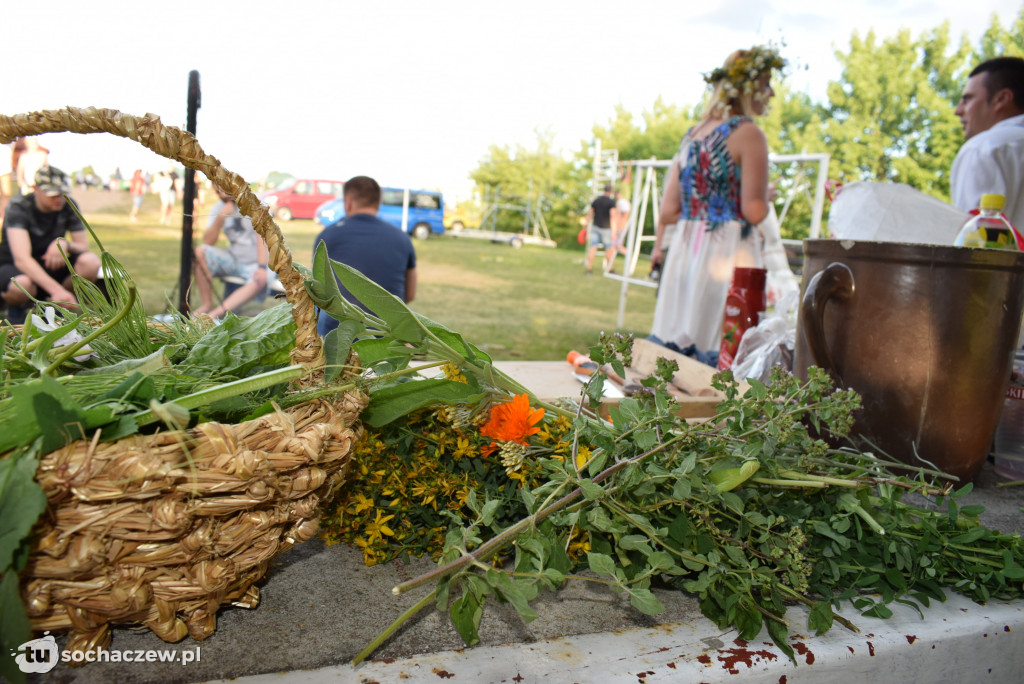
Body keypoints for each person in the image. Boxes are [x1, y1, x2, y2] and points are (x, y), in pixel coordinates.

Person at [649, 45, 784, 358]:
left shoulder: (693, 134)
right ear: (748, 88)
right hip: (728, 252)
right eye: (766, 84)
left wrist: (703, 202)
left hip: (686, 250)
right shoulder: (748, 134)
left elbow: (668, 211)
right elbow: (753, 210)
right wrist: (765, 197)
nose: (772, 93)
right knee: (716, 352)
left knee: (671, 350)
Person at [313, 175, 417, 337]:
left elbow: (319, 290)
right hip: (389, 336)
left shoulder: (327, 236)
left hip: (337, 336)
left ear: (348, 202)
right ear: (377, 203)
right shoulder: (402, 238)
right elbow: (410, 294)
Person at [0, 165, 101, 311]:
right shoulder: (19, 207)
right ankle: (19, 309)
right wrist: (56, 290)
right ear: (36, 189)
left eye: (62, 193)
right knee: (22, 285)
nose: (59, 199)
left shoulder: (68, 205)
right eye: (52, 194)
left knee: (90, 262)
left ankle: (58, 306)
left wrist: (63, 244)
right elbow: (22, 259)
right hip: (14, 267)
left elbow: (83, 246)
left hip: (50, 264)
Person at [951, 56, 1024, 230]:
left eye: (967, 99)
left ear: (1002, 99)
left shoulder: (984, 148)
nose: (958, 111)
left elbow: (972, 240)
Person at [192, 184, 270, 318]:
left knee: (259, 279)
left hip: (256, 262)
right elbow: (208, 241)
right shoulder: (218, 208)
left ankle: (214, 315)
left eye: (224, 190)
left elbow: (263, 237)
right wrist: (221, 217)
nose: (221, 195)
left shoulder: (254, 202)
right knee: (199, 252)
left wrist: (262, 267)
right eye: (217, 192)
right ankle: (207, 304)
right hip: (234, 258)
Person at [584, 184, 617, 274]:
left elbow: (590, 214)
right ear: (611, 191)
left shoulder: (596, 200)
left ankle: (589, 269)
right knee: (608, 249)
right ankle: (610, 269)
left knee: (593, 248)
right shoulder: (611, 202)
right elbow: (613, 216)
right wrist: (614, 230)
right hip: (606, 229)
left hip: (595, 227)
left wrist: (586, 224)